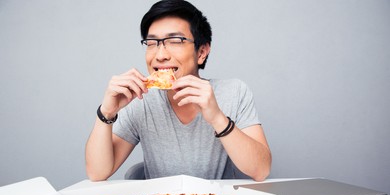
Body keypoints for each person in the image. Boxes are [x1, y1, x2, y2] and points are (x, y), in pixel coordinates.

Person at [85, 0, 271, 181]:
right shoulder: (141, 100)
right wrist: (107, 112)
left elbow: (261, 170)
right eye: (152, 43)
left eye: (175, 41)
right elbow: (97, 173)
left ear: (201, 52)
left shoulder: (234, 92)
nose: (161, 55)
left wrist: (217, 118)